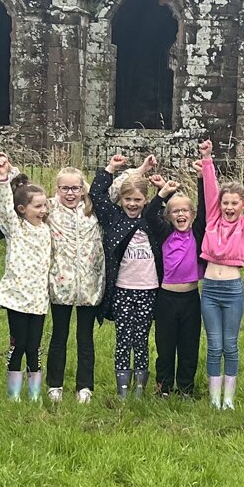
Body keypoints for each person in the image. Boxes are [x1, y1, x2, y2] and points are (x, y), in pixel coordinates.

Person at [196, 140, 244, 410]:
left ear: (241, 206)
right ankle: (214, 397)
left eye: (234, 203)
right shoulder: (213, 218)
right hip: (210, 289)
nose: (229, 207)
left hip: (232, 290)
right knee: (214, 345)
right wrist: (207, 159)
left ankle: (229, 397)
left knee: (230, 344)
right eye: (225, 203)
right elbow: (209, 189)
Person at [91, 153, 159, 400]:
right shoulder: (113, 218)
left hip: (149, 290)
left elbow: (168, 208)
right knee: (123, 339)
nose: (132, 204)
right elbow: (96, 196)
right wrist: (109, 168)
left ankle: (140, 389)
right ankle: (122, 390)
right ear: (120, 200)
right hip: (122, 289)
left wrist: (159, 186)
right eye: (128, 199)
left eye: (137, 200)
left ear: (145, 200)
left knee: (141, 339)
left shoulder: (152, 220)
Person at [0, 152, 55, 401]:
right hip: (17, 298)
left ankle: (35, 391)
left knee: (35, 346)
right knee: (18, 345)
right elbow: (4, 208)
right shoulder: (15, 227)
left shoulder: (47, 230)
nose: (43, 210)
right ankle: (14, 393)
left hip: (39, 299)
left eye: (44, 205)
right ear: (22, 209)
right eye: (37, 206)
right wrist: (3, 178)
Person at [45, 166, 106, 402]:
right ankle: (55, 385)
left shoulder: (93, 208)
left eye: (75, 188)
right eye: (65, 188)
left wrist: (140, 168)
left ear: (83, 188)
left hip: (89, 285)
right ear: (57, 189)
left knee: (85, 337)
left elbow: (120, 187)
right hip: (61, 284)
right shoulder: (48, 208)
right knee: (59, 335)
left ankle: (84, 387)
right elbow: (18, 210)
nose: (70, 193)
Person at [142, 172, 203, 398]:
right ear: (168, 216)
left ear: (192, 214)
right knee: (165, 346)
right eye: (175, 211)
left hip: (191, 299)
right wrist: (164, 193)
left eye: (185, 210)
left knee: (189, 346)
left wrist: (200, 179)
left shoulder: (197, 233)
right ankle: (164, 386)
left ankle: (186, 388)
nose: (180, 214)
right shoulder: (165, 233)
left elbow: (206, 209)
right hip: (166, 299)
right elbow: (149, 215)